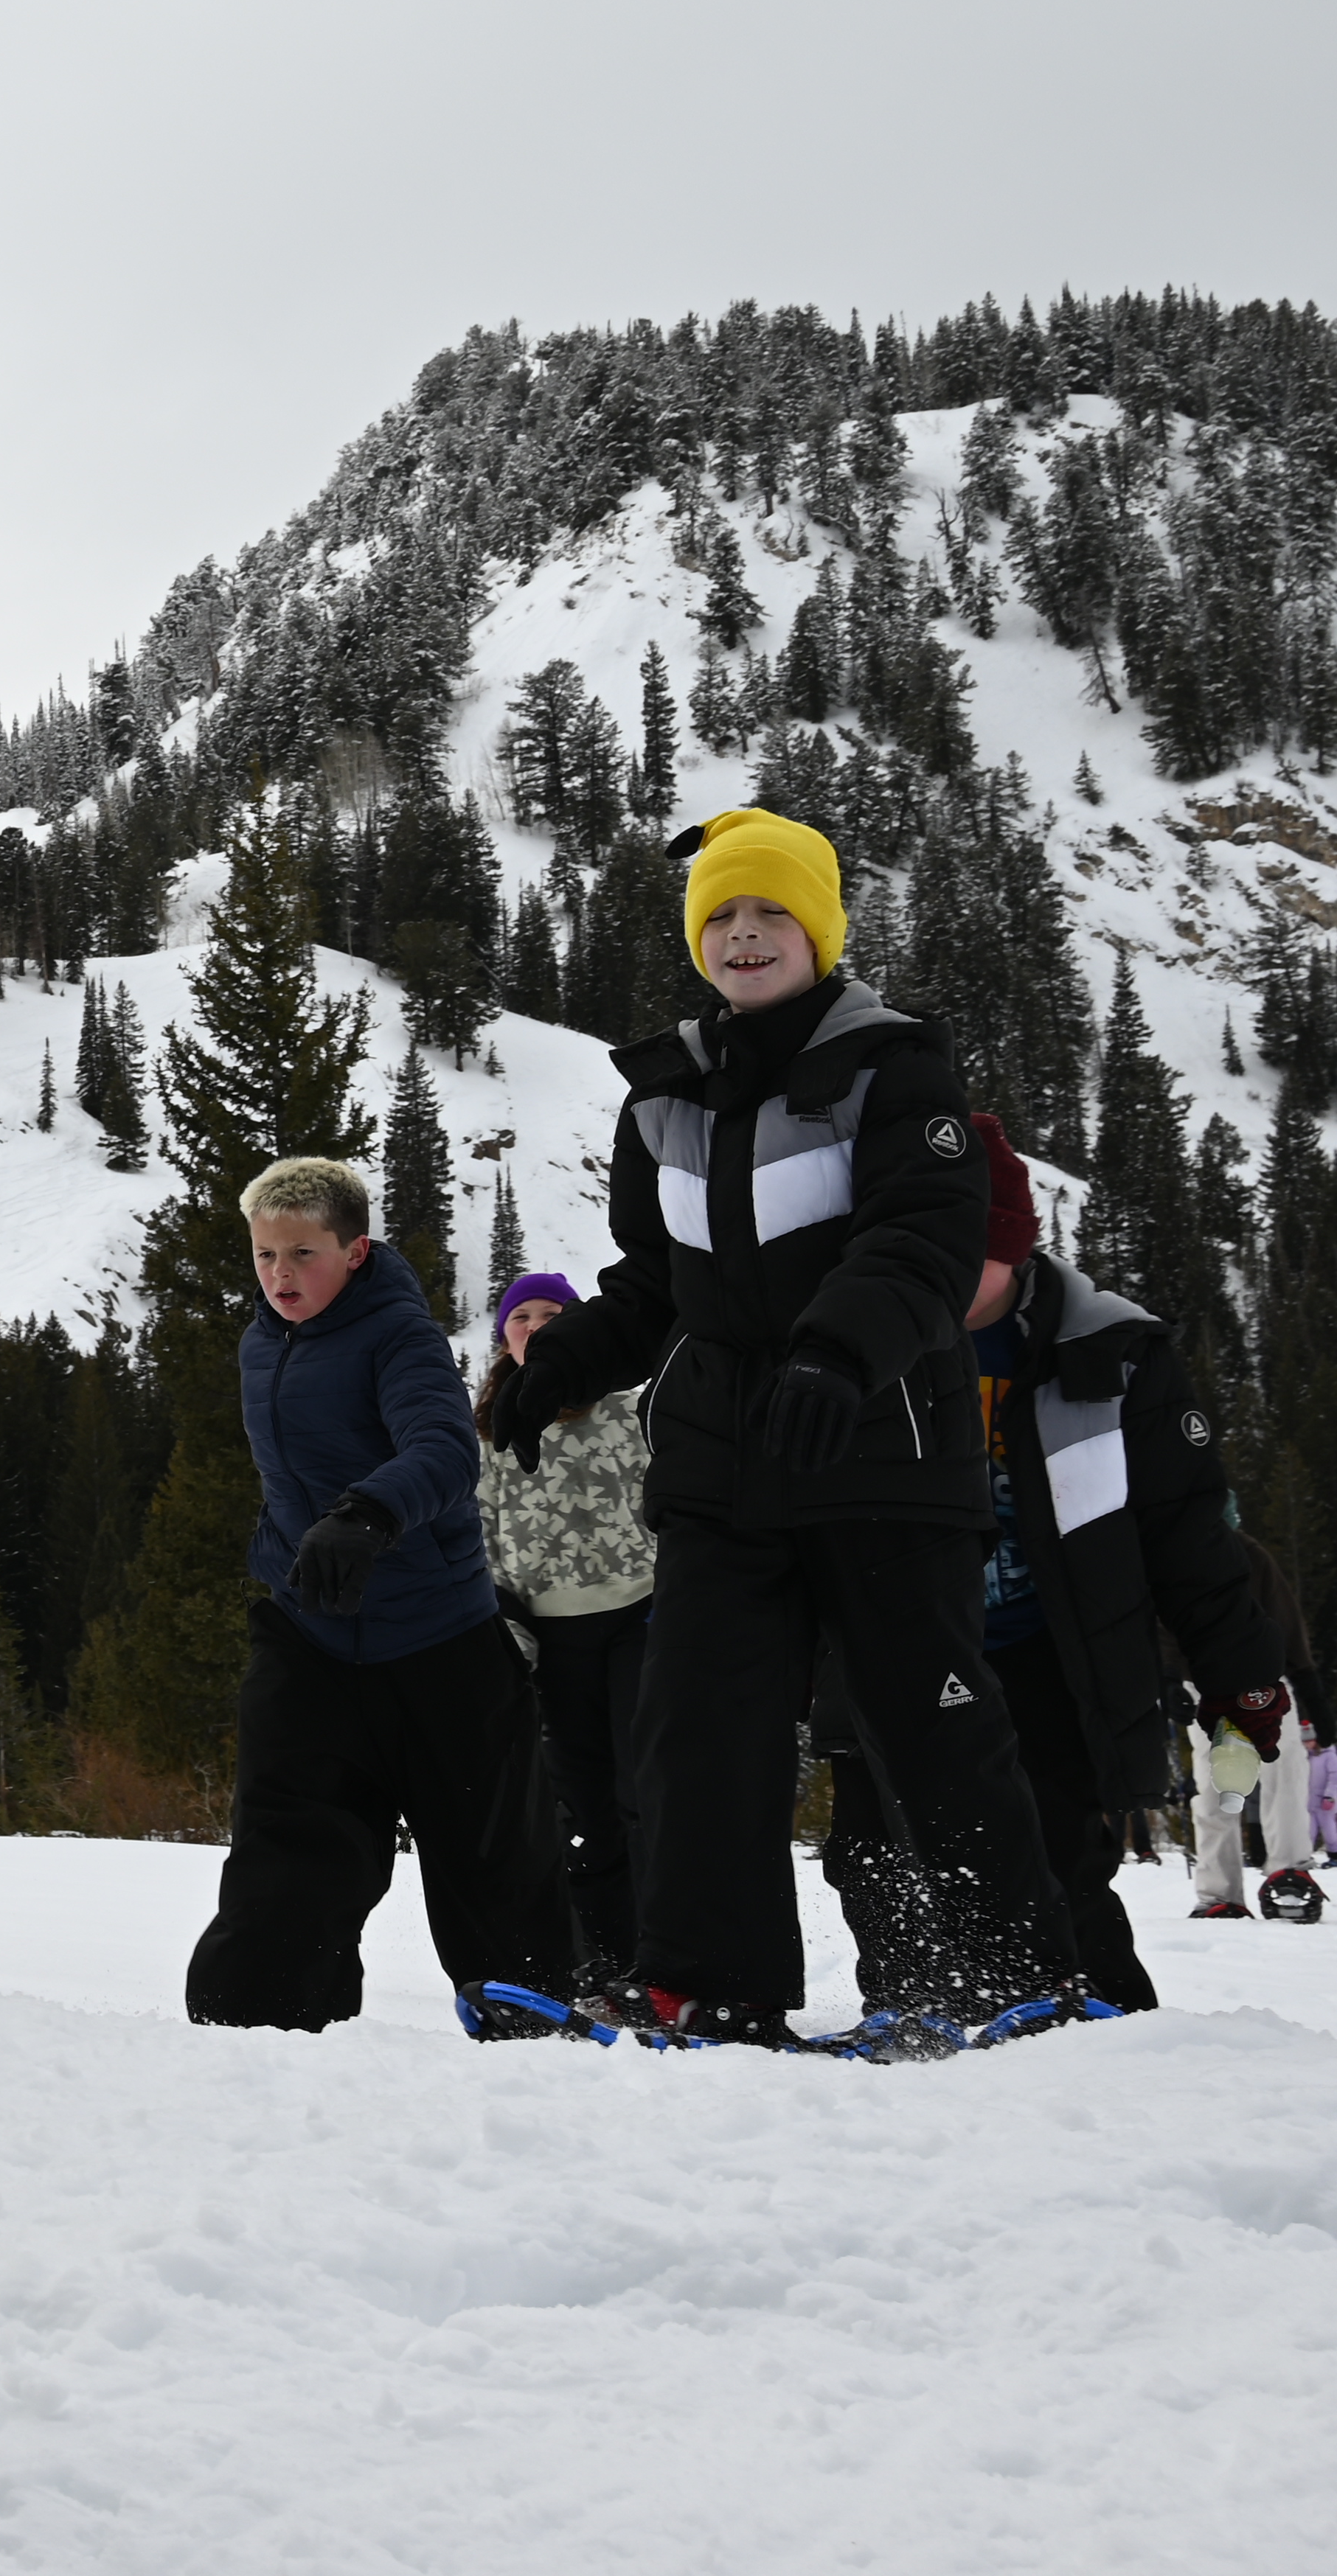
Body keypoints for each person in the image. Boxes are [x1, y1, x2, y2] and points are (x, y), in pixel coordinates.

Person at [501, 811, 1088, 2045]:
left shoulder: (894, 1070)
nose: (745, 933)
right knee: (697, 1731)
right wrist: (553, 1368)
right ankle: (713, 1989)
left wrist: (837, 1353)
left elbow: (921, 1239)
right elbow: (657, 1284)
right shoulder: (664, 1095)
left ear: (818, 930)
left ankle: (1011, 1979)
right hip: (723, 1464)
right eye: (721, 914)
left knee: (927, 1724)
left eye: (771, 912)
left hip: (882, 1449)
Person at [816, 1116, 1288, 2011]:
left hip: (1050, 1651)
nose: (942, 1270)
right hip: (896, 1644)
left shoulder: (1111, 1351)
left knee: (1056, 1849)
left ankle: (1091, 2019)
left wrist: (1240, 1675)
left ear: (1014, 1242)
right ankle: (913, 2014)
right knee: (874, 1850)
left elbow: (1185, 1534)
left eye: (966, 1247)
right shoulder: (855, 1342)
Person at [184, 1156, 572, 2035]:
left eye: (304, 1254)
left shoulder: (400, 1337)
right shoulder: (261, 1339)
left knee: (491, 1855)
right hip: (310, 1634)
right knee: (287, 1848)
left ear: (354, 1251)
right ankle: (253, 2027)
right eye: (264, 1254)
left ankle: (533, 2026)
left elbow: (444, 1447)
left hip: (439, 1638)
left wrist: (366, 1514)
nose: (281, 1275)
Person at [470, 1269, 654, 1985]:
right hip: (548, 1638)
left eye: (555, 1314)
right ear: (502, 1337)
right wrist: (504, 1636)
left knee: (647, 1792)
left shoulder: (632, 1408)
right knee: (580, 1809)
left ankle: (663, 1961)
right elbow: (476, 1535)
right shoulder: (487, 1430)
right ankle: (601, 1963)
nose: (538, 1325)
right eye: (522, 1317)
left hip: (641, 1615)